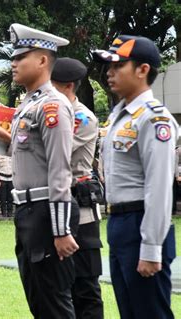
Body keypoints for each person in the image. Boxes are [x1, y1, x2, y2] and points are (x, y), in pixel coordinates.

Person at [0, 23, 80, 318]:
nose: (13, 64)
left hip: (46, 211)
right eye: (13, 57)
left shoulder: (52, 106)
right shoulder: (29, 104)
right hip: (29, 212)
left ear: (42, 60)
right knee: (39, 300)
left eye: (21, 57)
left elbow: (60, 168)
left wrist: (61, 230)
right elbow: (28, 154)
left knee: (54, 303)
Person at [93, 35, 178, 319]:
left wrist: (152, 246)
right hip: (119, 222)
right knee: (130, 311)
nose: (109, 72)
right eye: (108, 66)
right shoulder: (120, 116)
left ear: (143, 70)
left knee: (150, 312)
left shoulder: (154, 118)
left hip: (142, 221)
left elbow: (160, 185)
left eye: (118, 65)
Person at [51, 57, 104, 318]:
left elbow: (53, 150)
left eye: (52, 84)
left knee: (85, 285)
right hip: (56, 204)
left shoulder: (82, 118)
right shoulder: (52, 112)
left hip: (79, 206)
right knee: (60, 285)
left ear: (68, 86)